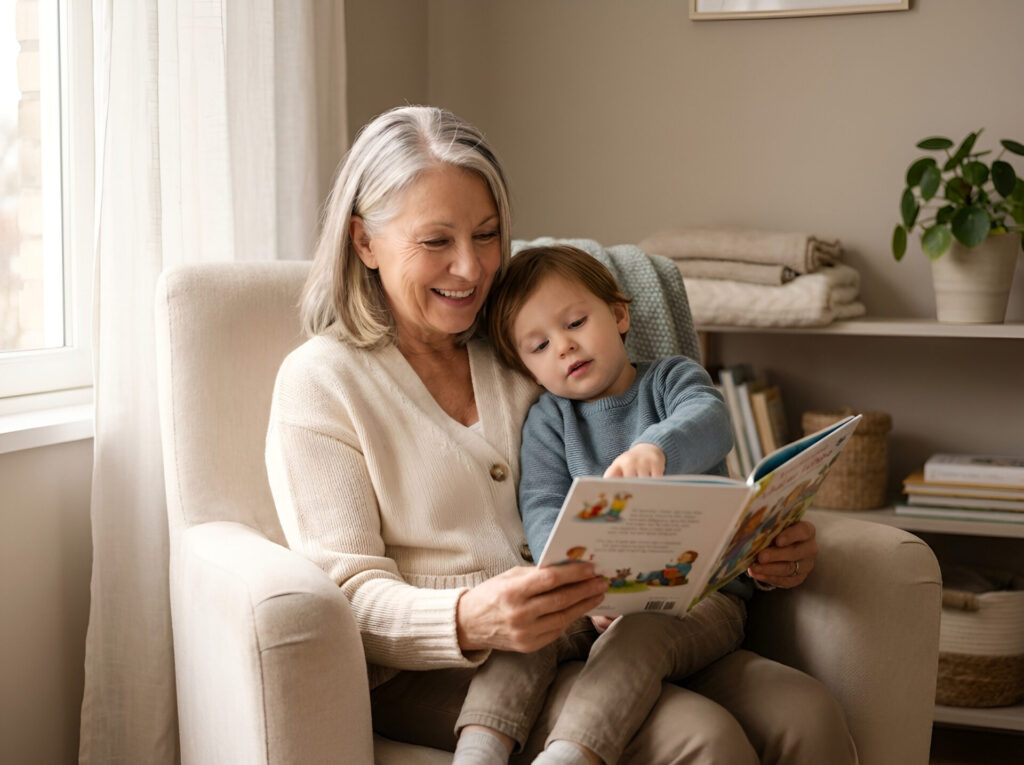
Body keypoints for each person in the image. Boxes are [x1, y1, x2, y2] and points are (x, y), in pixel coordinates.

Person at [264, 104, 856, 765]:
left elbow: (662, 469)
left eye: (487, 235)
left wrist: (762, 546)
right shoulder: (320, 382)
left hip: (595, 623)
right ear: (364, 241)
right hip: (443, 668)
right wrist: (468, 616)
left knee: (806, 714)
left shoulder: (523, 344)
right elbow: (344, 595)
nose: (471, 269)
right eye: (435, 242)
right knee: (703, 737)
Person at [448, 243, 749, 765]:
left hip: (701, 597)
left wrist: (656, 448)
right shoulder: (549, 421)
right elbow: (542, 506)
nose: (565, 347)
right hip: (591, 597)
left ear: (618, 315)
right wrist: (573, 588)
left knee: (641, 631)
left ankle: (571, 755)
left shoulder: (671, 380)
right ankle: (479, 751)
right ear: (526, 368)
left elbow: (711, 420)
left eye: (576, 323)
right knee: (527, 626)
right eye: (540, 345)